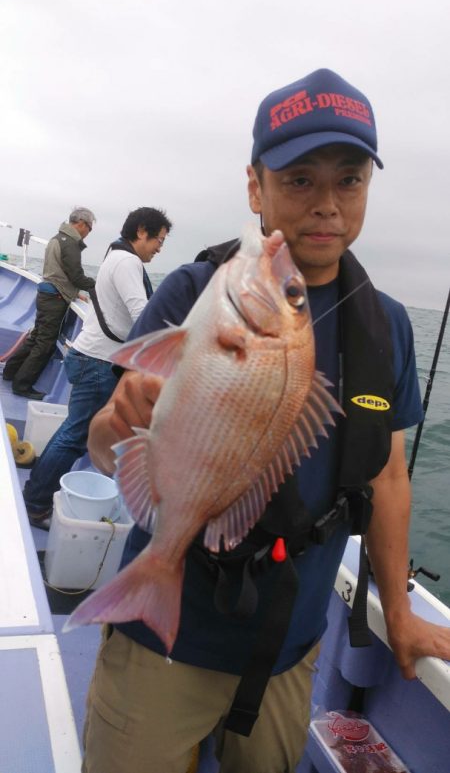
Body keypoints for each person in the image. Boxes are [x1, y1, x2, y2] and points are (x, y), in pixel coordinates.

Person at [81, 69, 450, 773]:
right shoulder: (195, 292)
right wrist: (116, 420)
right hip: (165, 642)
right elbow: (108, 444)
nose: (327, 204)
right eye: (299, 179)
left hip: (291, 647)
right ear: (256, 187)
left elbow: (391, 477)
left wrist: (397, 612)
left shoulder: (389, 327)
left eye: (349, 179)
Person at [22, 206, 172, 527]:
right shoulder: (128, 262)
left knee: (73, 432)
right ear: (142, 232)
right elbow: (141, 314)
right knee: (75, 435)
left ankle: (36, 491)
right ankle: (35, 503)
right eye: (159, 240)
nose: (160, 247)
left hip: (91, 357)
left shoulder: (114, 256)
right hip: (98, 363)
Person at [3, 206, 97, 399]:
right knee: (44, 344)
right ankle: (21, 385)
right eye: (90, 227)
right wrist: (99, 287)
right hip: (55, 298)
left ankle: (10, 372)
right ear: (81, 224)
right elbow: (77, 276)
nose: (89, 232)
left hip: (46, 293)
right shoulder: (70, 243)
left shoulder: (57, 238)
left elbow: (61, 272)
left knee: (36, 337)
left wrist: (74, 292)